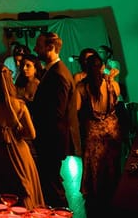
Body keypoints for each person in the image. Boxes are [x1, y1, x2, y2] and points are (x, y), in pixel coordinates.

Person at [0, 64, 45, 210]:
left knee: (0, 196)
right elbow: (32, 134)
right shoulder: (19, 105)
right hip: (19, 154)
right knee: (23, 195)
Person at [30, 32, 81, 209]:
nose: (35, 48)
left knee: (53, 187)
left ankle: (63, 213)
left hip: (50, 140)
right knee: (51, 183)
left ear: (50, 48)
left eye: (39, 45)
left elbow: (55, 113)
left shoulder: (58, 74)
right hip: (51, 140)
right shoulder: (54, 70)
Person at [76, 54, 123, 215]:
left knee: (93, 164)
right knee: (111, 163)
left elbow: (76, 109)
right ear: (102, 67)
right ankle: (113, 193)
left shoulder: (81, 87)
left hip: (92, 131)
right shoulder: (113, 85)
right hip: (111, 130)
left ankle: (96, 198)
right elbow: (117, 102)